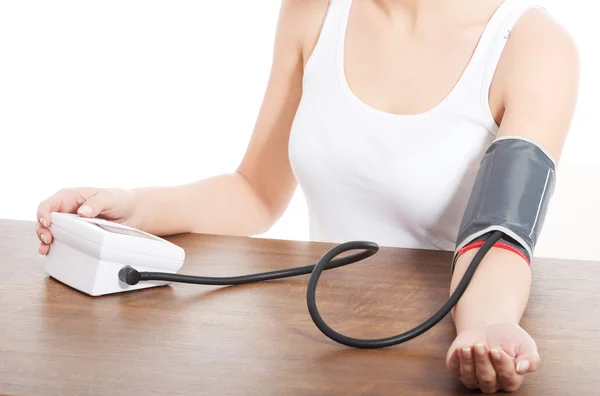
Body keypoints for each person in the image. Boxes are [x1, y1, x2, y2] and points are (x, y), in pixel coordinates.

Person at [35, 0, 579, 393]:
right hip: (316, 348)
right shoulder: (314, 11)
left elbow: (498, 236)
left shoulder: (534, 45)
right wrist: (134, 209)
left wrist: (487, 328)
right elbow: (254, 192)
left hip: (435, 349)